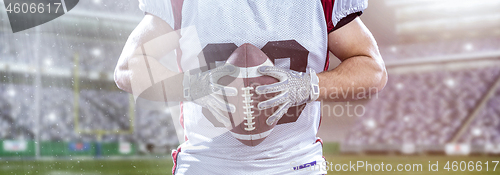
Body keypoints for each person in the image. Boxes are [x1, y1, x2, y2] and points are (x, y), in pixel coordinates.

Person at [114, 0, 387, 174]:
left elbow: (372, 68)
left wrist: (307, 85)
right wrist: (192, 85)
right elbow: (128, 68)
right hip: (207, 165)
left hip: (295, 164)